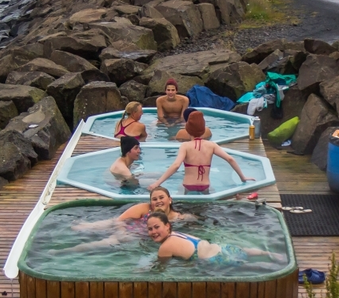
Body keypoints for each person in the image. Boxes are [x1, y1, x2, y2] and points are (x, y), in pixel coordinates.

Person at [63, 187, 192, 253]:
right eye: (154, 199)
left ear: (170, 199)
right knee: (81, 228)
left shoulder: (179, 217)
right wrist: (122, 233)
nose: (158, 201)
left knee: (99, 244)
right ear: (151, 202)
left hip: (136, 236)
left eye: (161, 197)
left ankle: (62, 251)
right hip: (125, 229)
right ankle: (79, 226)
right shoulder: (145, 208)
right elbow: (119, 221)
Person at [152, 111, 252, 192]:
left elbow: (176, 166)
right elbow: (230, 159)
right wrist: (242, 177)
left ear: (187, 129)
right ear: (203, 129)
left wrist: (157, 183)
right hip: (205, 185)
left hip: (189, 184)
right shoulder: (211, 145)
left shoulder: (185, 146)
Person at [146, 212, 284, 264]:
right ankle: (268, 253)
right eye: (150, 229)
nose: (153, 231)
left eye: (157, 227)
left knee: (247, 268)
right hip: (221, 248)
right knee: (244, 251)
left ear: (167, 226)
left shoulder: (165, 247)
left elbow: (159, 271)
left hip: (217, 260)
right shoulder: (177, 234)